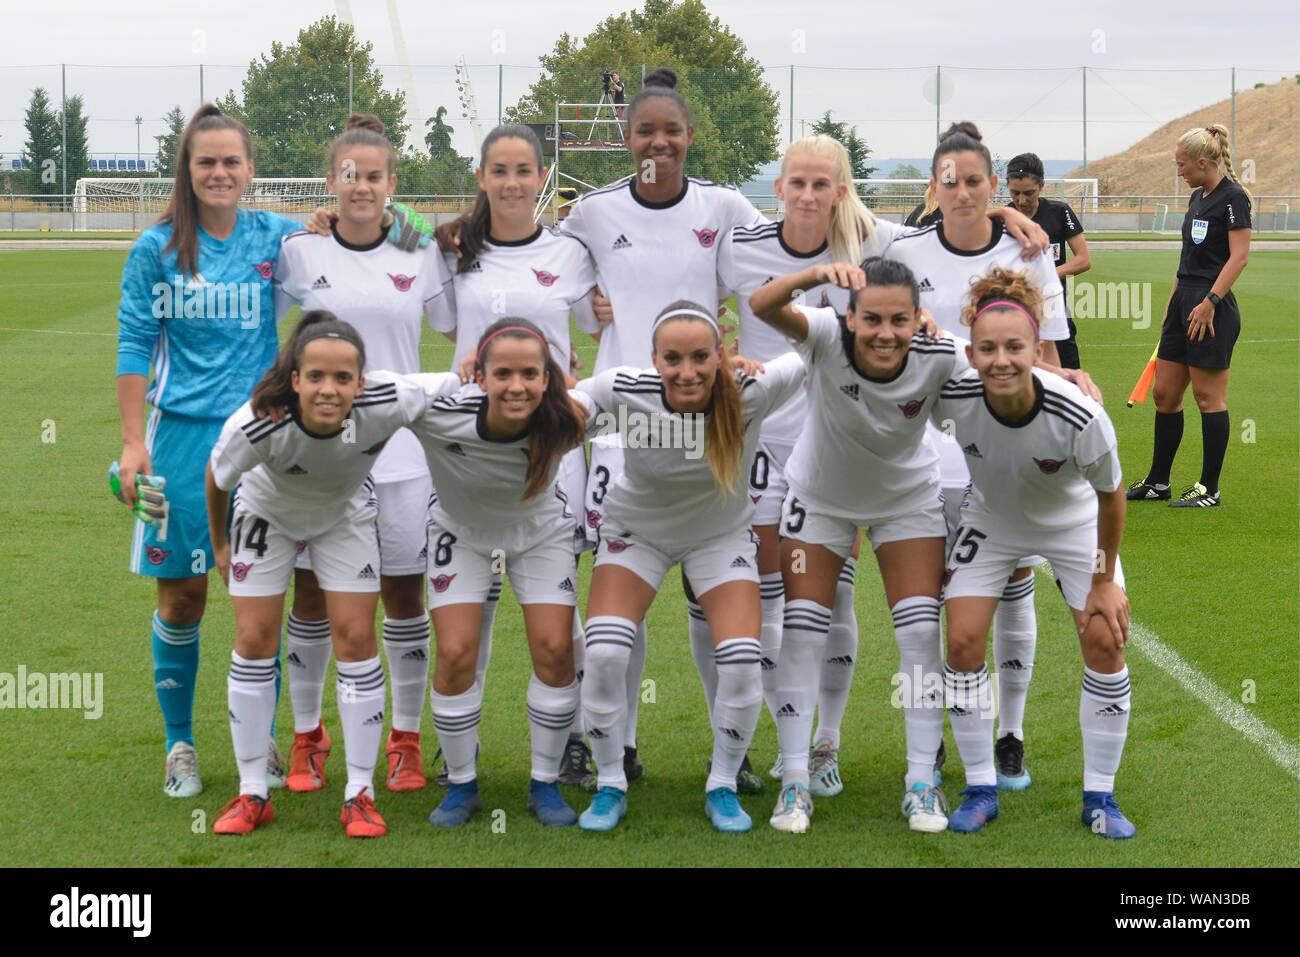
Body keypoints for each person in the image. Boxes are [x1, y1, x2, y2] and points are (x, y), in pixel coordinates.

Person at [716, 133, 1044, 799]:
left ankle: (829, 742)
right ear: (779, 187)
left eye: (822, 184)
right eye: (796, 182)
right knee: (787, 611)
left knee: (873, 615)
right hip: (770, 447)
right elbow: (714, 298)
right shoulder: (740, 242)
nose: (808, 195)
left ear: (842, 190)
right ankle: (773, 756)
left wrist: (1010, 214)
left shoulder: (880, 243)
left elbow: (954, 221)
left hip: (858, 444)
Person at [559, 67, 771, 789]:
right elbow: (542, 269)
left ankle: (729, 755)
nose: (659, 141)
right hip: (623, 425)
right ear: (626, 138)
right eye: (645, 130)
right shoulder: (591, 211)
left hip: (707, 418)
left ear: (689, 136)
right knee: (628, 595)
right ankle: (617, 745)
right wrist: (588, 315)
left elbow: (788, 257)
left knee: (708, 592)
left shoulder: (725, 205)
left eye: (671, 131)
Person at [115, 104, 332, 799]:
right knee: (183, 596)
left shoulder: (276, 235)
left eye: (230, 161)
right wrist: (129, 443)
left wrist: (331, 225)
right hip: (179, 439)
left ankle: (258, 736)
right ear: (187, 168)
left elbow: (372, 238)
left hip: (265, 438)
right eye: (205, 161)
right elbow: (132, 344)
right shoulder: (155, 248)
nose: (218, 172)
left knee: (258, 599)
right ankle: (180, 742)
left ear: (249, 169)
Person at [887, 120, 1092, 792]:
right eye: (951, 180)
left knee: (1010, 592)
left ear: (993, 184)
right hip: (922, 460)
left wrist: (1069, 406)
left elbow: (1051, 356)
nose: (963, 191)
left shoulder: (1028, 254)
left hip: (1002, 459)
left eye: (976, 181)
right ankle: (933, 743)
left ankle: (1011, 733)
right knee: (932, 610)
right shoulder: (902, 248)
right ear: (933, 186)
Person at [205, 311, 451, 836]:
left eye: (343, 378)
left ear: (362, 383)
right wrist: (221, 543)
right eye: (315, 376)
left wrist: (478, 365)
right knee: (252, 637)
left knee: (357, 636)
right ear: (294, 379)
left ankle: (358, 791)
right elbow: (218, 475)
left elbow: (455, 382)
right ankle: (252, 792)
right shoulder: (257, 420)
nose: (328, 389)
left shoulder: (389, 400)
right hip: (265, 513)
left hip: (343, 512)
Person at [573, 303, 806, 832]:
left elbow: (822, 345)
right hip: (638, 534)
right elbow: (565, 407)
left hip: (719, 537)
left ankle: (722, 783)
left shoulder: (751, 390)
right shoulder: (622, 388)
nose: (687, 371)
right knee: (606, 651)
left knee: (744, 658)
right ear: (653, 360)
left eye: (701, 357)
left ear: (721, 355)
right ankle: (611, 782)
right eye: (672, 358)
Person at [273, 114, 452, 796]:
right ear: (330, 181)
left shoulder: (420, 251)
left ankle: (405, 740)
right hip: (321, 458)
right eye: (349, 175)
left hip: (403, 455)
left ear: (392, 184)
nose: (360, 186)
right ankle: (307, 735)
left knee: (404, 595)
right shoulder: (300, 252)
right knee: (313, 592)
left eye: (374, 176)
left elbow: (457, 324)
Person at [931, 268, 1135, 839]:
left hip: (1075, 525)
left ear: (1036, 349)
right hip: (992, 520)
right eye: (988, 348)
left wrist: (1102, 580)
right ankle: (979, 788)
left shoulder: (1079, 413)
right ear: (970, 351)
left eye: (1014, 348)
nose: (1001, 360)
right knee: (964, 638)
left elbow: (1112, 496)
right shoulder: (954, 394)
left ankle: (1101, 795)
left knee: (1104, 636)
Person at [425, 123, 600, 786]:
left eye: (524, 169)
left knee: (558, 607)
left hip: (550, 446)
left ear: (540, 176)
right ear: (482, 177)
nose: (512, 182)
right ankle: (458, 748)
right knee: (475, 602)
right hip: (473, 445)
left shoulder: (571, 254)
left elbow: (598, 322)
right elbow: (448, 328)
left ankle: (573, 737)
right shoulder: (453, 252)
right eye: (499, 170)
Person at [408, 318, 592, 828]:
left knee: (556, 649)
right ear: (480, 376)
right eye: (503, 373)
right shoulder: (440, 413)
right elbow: (374, 394)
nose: (517, 386)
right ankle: (461, 785)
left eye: (530, 373)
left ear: (547, 377)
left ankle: (545, 784)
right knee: (455, 652)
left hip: (540, 535)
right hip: (461, 536)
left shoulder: (569, 417)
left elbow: (639, 395)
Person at [1126, 124, 1251, 508]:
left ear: (1202, 161)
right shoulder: (1198, 196)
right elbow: (1188, 260)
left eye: (1181, 164)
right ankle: (1158, 481)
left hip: (1212, 308)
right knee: (1165, 394)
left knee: (1207, 397)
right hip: (1184, 301)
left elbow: (1239, 256)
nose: (1178, 170)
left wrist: (1210, 300)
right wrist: (1174, 300)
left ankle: (1208, 488)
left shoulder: (1234, 199)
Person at [1006, 152, 1091, 368]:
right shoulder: (1003, 219)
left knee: (1070, 381)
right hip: (1013, 311)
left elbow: (1083, 260)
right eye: (1015, 193)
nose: (1021, 201)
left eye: (1029, 193)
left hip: (1055, 311)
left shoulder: (1059, 212)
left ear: (1042, 186)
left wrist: (1044, 275)